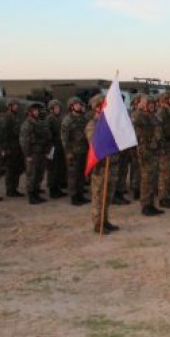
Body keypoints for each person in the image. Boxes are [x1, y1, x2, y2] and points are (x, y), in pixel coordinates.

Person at [85, 94, 119, 233]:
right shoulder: (93, 125)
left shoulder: (110, 123)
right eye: (104, 105)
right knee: (99, 196)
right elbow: (95, 145)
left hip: (112, 164)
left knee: (108, 195)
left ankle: (105, 220)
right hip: (101, 166)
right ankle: (98, 223)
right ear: (97, 107)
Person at [132, 95, 164, 216]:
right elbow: (135, 119)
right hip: (145, 151)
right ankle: (145, 205)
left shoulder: (154, 117)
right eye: (148, 104)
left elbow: (159, 128)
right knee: (146, 179)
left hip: (154, 150)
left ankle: (151, 204)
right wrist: (139, 108)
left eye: (152, 104)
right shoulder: (140, 116)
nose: (151, 106)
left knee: (153, 179)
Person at [19, 101, 50, 204]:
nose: (36, 112)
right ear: (29, 112)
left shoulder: (39, 123)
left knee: (39, 174)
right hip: (32, 154)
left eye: (37, 110)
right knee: (32, 175)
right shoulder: (27, 124)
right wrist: (27, 154)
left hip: (40, 153)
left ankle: (36, 193)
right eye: (34, 110)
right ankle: (32, 195)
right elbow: (24, 141)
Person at [61, 97, 89, 206]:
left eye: (79, 104)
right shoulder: (67, 120)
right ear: (71, 106)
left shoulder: (83, 119)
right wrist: (68, 152)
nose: (79, 106)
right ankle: (74, 196)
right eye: (76, 104)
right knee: (73, 175)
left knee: (81, 174)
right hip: (73, 152)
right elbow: (64, 139)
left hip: (83, 151)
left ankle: (80, 194)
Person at [0, 100, 25, 197]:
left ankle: (14, 188)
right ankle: (10, 189)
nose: (16, 107)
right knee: (10, 169)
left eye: (16, 105)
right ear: (9, 106)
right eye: (14, 105)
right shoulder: (6, 117)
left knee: (17, 168)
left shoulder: (17, 116)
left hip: (17, 146)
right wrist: (5, 148)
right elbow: (4, 134)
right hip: (10, 147)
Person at [45, 99, 68, 199]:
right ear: (51, 109)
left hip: (59, 146)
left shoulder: (60, 118)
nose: (58, 109)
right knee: (52, 169)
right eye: (56, 108)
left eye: (58, 107)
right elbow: (47, 134)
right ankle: (52, 189)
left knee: (59, 168)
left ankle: (57, 188)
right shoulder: (49, 119)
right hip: (52, 147)